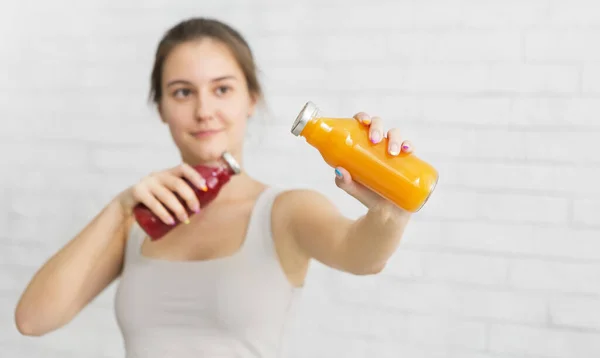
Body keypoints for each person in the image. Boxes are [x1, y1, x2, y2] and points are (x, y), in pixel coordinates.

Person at [14, 17, 415, 357]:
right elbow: (32, 320)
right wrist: (119, 208)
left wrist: (388, 212)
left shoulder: (284, 211)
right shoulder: (140, 219)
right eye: (183, 92)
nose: (204, 111)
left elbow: (362, 256)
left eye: (222, 89)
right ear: (161, 109)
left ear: (251, 99)